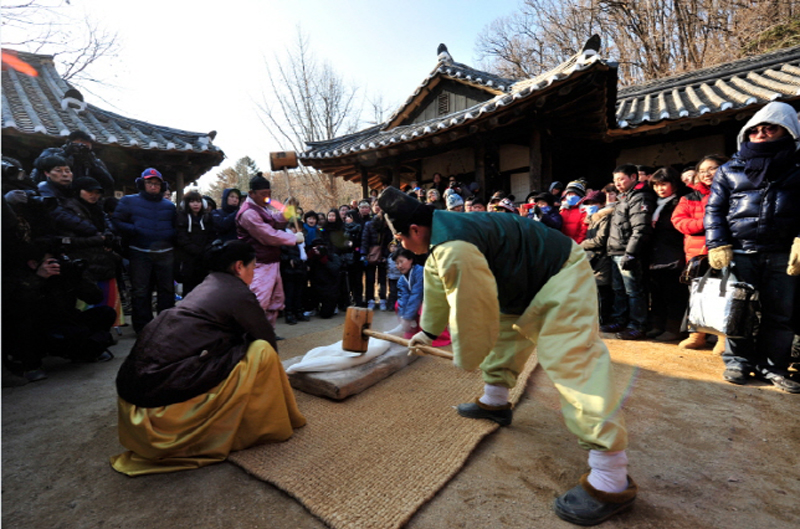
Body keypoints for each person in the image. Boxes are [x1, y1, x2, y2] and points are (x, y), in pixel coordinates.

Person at [377, 187, 635, 526]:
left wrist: (466, 355)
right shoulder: (440, 237)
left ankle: (611, 477)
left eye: (399, 240)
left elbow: (472, 310)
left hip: (559, 272)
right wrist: (426, 331)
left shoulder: (454, 247)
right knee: (503, 340)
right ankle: (495, 401)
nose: (401, 247)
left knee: (572, 360)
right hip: (518, 282)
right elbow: (438, 286)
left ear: (413, 231)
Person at [111, 240, 306, 476]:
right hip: (156, 404)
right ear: (239, 267)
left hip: (133, 395)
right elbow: (267, 342)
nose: (254, 273)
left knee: (240, 347)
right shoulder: (237, 293)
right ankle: (260, 423)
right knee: (261, 352)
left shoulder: (208, 284)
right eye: (253, 267)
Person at [705, 101, 800, 393]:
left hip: (784, 254)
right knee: (739, 309)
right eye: (755, 130)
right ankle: (737, 361)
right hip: (741, 251)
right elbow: (715, 209)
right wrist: (718, 242)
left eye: (770, 128)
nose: (761, 134)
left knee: (780, 314)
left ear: (788, 130)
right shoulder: (729, 169)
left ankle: (773, 366)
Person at [671, 155, 729, 352]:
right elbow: (679, 221)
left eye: (712, 169)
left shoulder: (733, 191)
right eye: (703, 171)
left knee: (724, 294)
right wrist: (707, 223)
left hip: (725, 251)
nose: (707, 174)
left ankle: (723, 338)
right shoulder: (689, 197)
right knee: (698, 294)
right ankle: (697, 335)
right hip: (698, 254)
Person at [112, 168, 176, 333]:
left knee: (167, 290)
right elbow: (117, 221)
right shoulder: (128, 201)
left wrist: (171, 234)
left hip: (165, 254)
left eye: (156, 183)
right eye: (149, 183)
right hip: (139, 252)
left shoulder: (169, 206)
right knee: (140, 291)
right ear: (142, 183)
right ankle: (143, 327)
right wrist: (134, 230)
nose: (153, 186)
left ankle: (166, 324)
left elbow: (178, 226)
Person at [236, 174, 303, 327]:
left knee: (275, 300)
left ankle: (268, 333)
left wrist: (287, 210)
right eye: (263, 194)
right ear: (251, 193)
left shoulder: (262, 208)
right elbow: (267, 235)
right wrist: (293, 238)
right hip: (258, 264)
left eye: (269, 194)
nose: (267, 197)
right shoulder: (248, 213)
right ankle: (253, 336)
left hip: (272, 261)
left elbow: (275, 220)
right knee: (260, 301)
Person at [602, 164, 656, 340]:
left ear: (633, 177)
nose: (617, 183)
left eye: (621, 179)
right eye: (615, 180)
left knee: (634, 291)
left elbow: (640, 228)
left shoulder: (640, 196)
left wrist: (631, 253)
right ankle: (620, 320)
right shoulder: (623, 197)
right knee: (619, 289)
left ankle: (637, 325)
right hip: (616, 251)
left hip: (628, 251)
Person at [645, 168, 686, 341]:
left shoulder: (680, 202)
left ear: (674, 184)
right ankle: (657, 326)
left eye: (664, 184)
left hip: (673, 255)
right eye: (656, 185)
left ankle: (673, 328)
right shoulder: (654, 202)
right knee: (657, 294)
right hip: (655, 256)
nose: (660, 189)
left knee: (673, 295)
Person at [31, 130, 114, 194]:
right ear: (69, 143)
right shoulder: (53, 152)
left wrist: (92, 163)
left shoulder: (92, 160)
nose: (81, 149)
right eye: (78, 146)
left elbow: (108, 183)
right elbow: (39, 164)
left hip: (80, 197)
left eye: (85, 147)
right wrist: (66, 153)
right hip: (54, 192)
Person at [580, 190, 614, 326]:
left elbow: (600, 239)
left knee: (603, 290)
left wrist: (581, 245)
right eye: (588, 203)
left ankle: (603, 319)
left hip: (602, 257)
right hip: (593, 258)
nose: (590, 205)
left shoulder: (605, 217)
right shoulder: (592, 218)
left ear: (602, 203)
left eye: (593, 203)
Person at [175, 191, 213, 296]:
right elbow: (181, 238)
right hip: (188, 260)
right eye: (192, 201)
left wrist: (207, 250)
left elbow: (211, 235)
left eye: (198, 201)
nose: (196, 204)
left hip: (204, 259)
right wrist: (195, 250)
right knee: (189, 289)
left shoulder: (207, 218)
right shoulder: (181, 217)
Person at [361, 201, 392, 310]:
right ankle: (370, 299)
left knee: (382, 278)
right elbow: (364, 240)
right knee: (370, 278)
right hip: (371, 254)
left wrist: (386, 255)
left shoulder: (388, 227)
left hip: (383, 255)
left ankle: (382, 298)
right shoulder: (369, 225)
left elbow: (389, 242)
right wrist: (363, 254)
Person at [280, 221, 309, 325]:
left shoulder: (300, 239)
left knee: (299, 292)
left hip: (300, 268)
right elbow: (281, 252)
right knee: (290, 292)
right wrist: (289, 259)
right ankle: (289, 313)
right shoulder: (285, 237)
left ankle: (298, 312)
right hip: (289, 269)